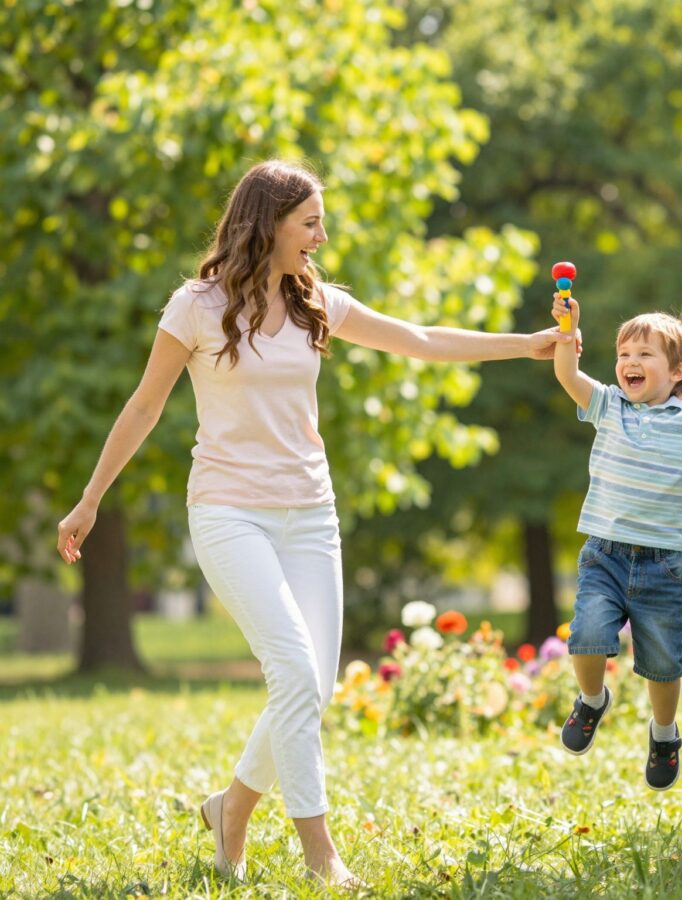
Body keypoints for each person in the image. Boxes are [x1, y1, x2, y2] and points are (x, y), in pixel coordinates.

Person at [55, 160, 570, 887]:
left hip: (310, 514)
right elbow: (144, 406)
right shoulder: (195, 307)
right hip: (230, 511)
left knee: (312, 686)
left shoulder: (316, 302)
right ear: (267, 224)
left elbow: (418, 338)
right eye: (310, 223)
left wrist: (524, 344)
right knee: (294, 672)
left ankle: (230, 811)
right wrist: (90, 499)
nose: (322, 237)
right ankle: (319, 854)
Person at [549, 293, 682, 790]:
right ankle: (592, 700)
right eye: (624, 354)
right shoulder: (608, 405)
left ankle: (664, 734)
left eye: (644, 355)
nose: (630, 363)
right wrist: (566, 331)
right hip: (605, 553)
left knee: (663, 664)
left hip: (663, 565)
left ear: (678, 370)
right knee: (586, 635)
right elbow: (567, 375)